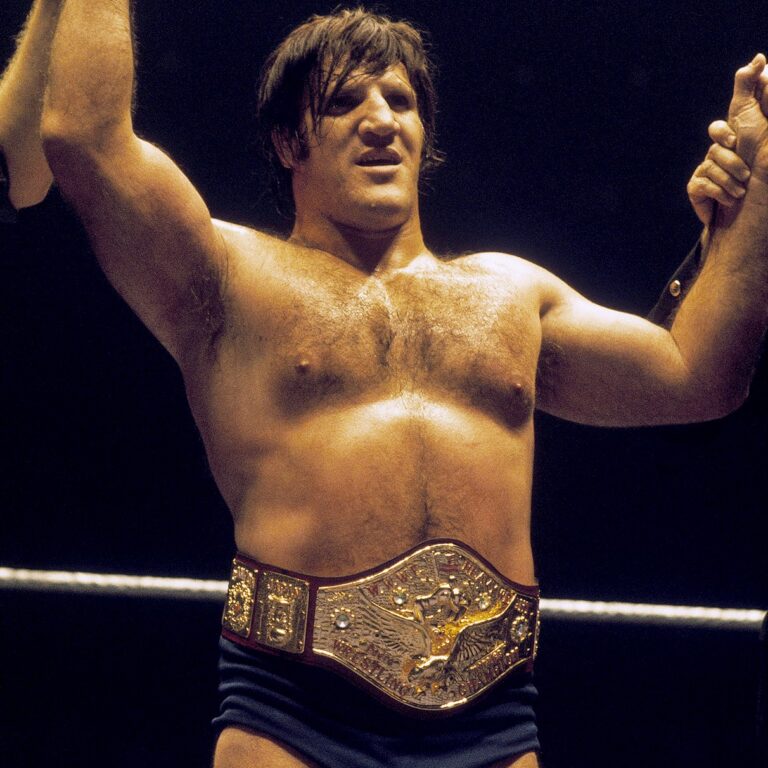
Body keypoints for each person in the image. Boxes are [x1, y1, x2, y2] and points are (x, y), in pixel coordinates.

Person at [2, 2, 764, 766]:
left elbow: (696, 376)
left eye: (399, 100)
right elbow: (82, 137)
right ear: (288, 142)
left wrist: (758, 185)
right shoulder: (226, 279)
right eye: (344, 102)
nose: (380, 120)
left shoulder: (512, 294)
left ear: (424, 133)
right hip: (291, 715)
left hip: (493, 726)